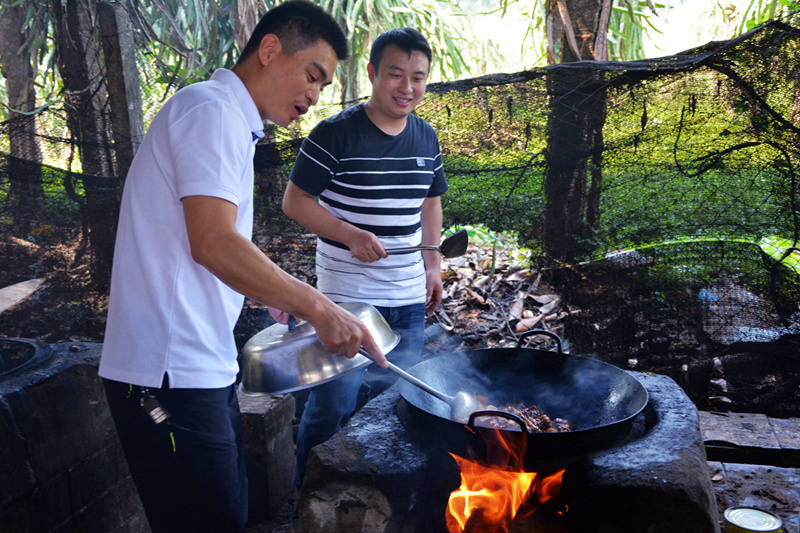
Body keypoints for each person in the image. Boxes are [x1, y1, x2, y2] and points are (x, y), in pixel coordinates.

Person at [98, 2, 386, 532]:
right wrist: (317, 306)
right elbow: (212, 242)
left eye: (323, 87)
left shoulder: (227, 120)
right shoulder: (211, 112)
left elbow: (197, 245)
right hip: (164, 380)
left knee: (220, 510)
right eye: (312, 75)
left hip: (191, 370)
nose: (314, 96)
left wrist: (270, 291)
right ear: (270, 48)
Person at [281, 27, 446, 489]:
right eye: (396, 74)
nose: (407, 88)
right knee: (333, 404)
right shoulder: (336, 134)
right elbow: (295, 202)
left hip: (408, 296)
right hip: (346, 301)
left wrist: (432, 264)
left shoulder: (425, 138)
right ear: (372, 73)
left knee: (396, 404)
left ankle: (380, 500)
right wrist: (350, 234)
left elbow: (430, 201)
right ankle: (307, 498)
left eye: (418, 77)